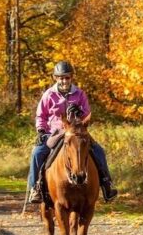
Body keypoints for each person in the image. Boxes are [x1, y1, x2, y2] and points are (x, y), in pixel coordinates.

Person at [27, 61, 118, 203]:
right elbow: (41, 115)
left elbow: (87, 113)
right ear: (56, 78)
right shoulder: (49, 95)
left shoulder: (80, 94)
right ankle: (35, 188)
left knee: (99, 150)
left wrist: (80, 112)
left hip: (77, 131)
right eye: (61, 78)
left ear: (71, 78)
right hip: (55, 132)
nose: (64, 81)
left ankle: (107, 184)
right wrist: (40, 131)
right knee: (37, 152)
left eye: (67, 77)